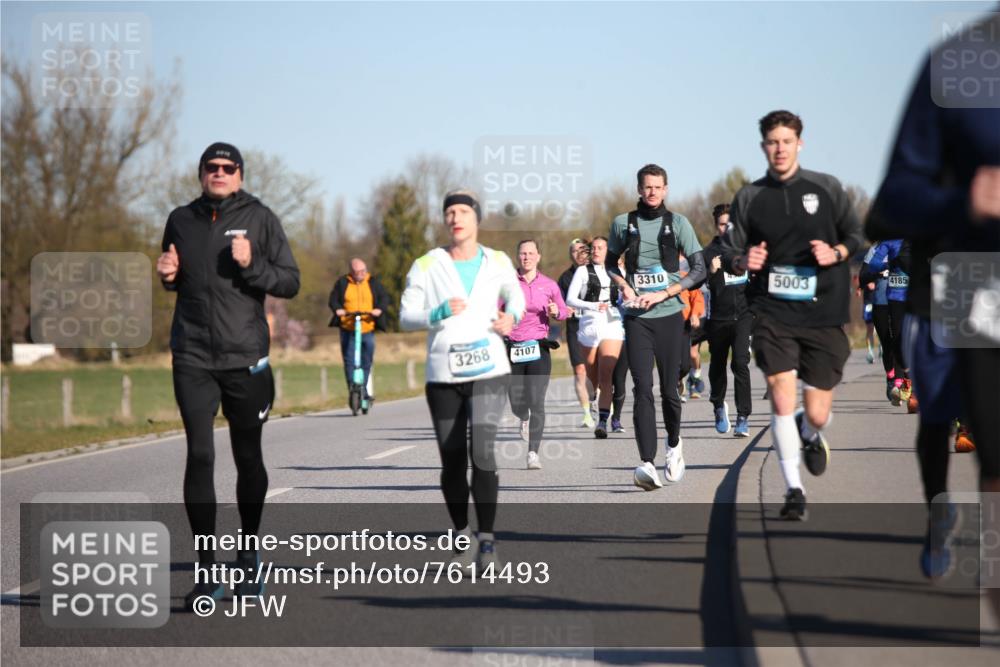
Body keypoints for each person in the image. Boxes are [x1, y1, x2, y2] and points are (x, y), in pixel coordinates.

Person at [865, 13, 999, 586]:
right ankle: (939, 508)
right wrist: (964, 201)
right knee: (940, 414)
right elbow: (887, 206)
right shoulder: (959, 66)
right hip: (956, 285)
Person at [156, 142, 301, 608]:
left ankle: (249, 555)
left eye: (227, 167)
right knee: (199, 455)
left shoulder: (261, 218)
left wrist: (251, 264)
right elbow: (179, 277)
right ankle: (206, 571)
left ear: (239, 174)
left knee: (248, 457)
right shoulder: (180, 220)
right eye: (211, 167)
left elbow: (290, 281)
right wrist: (168, 275)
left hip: (245, 357)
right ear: (201, 173)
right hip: (193, 355)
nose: (219, 173)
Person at [721, 111, 864, 520]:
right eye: (772, 142)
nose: (779, 149)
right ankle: (793, 490)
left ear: (800, 143)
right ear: (763, 146)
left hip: (822, 311)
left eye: (787, 141)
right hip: (771, 311)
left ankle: (809, 430)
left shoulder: (826, 188)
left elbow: (856, 235)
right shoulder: (750, 196)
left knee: (818, 412)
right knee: (782, 396)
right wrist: (743, 260)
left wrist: (836, 252)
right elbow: (729, 252)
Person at [399, 189, 524, 572]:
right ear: (445, 219)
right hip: (443, 375)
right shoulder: (426, 264)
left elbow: (515, 297)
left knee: (482, 454)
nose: (456, 218)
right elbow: (405, 316)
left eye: (463, 212)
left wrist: (512, 317)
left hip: (489, 370)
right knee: (452, 460)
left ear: (476, 218)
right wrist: (435, 312)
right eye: (450, 212)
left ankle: (487, 542)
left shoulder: (498, 260)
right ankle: (461, 535)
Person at [605, 164, 707, 490]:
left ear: (665, 189)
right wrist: (624, 286)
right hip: (637, 319)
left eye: (657, 187)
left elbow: (699, 269)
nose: (652, 192)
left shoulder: (678, 224)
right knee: (642, 389)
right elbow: (610, 263)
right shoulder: (622, 223)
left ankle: (674, 445)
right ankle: (647, 462)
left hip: (669, 316)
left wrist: (666, 292)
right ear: (639, 189)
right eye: (647, 187)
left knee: (669, 391)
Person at [506, 239, 569, 469]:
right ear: (518, 256)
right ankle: (522, 416)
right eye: (523, 253)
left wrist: (556, 311)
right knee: (516, 402)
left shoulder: (549, 285)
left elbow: (564, 311)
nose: (527, 257)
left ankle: (533, 453)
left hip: (538, 347)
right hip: (513, 347)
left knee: (537, 401)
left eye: (531, 253)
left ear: (538, 257)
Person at [566, 237, 625, 439]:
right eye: (594, 248)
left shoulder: (619, 271)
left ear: (609, 250)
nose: (597, 250)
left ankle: (602, 422)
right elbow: (570, 299)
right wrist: (592, 305)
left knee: (606, 374)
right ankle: (593, 398)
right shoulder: (583, 271)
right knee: (592, 380)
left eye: (601, 247)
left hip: (612, 325)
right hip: (589, 326)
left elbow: (629, 294)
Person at [703, 203, 753, 437]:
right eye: (723, 224)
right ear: (717, 226)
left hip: (743, 316)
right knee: (718, 364)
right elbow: (700, 284)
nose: (727, 228)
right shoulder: (709, 253)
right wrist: (711, 271)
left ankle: (743, 417)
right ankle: (718, 406)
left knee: (740, 363)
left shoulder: (747, 250)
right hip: (718, 318)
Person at [328, 258, 389, 405]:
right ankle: (353, 388)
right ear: (351, 272)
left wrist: (378, 309)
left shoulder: (373, 282)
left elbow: (384, 298)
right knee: (349, 360)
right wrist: (338, 309)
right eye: (357, 272)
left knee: (366, 360)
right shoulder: (343, 283)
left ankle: (363, 389)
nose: (361, 274)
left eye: (363, 271)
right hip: (348, 327)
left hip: (367, 327)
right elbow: (333, 300)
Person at [859, 240, 911, 405]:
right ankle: (890, 378)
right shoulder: (877, 248)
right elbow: (863, 274)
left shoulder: (909, 244)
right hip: (880, 301)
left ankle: (901, 383)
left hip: (901, 299)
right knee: (886, 342)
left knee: (899, 338)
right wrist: (877, 274)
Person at [558, 239, 596, 427]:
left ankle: (604, 402)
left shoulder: (597, 272)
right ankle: (587, 414)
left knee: (599, 368)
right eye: (574, 250)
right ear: (570, 255)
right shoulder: (565, 278)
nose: (578, 253)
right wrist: (564, 309)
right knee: (580, 370)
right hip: (575, 329)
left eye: (582, 249)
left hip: (597, 326)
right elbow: (558, 304)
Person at [676, 254, 706, 404]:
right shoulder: (660, 278)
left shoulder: (685, 277)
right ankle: (677, 386)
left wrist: (695, 314)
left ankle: (694, 376)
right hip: (668, 324)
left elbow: (697, 298)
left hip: (687, 323)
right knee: (673, 358)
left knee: (691, 356)